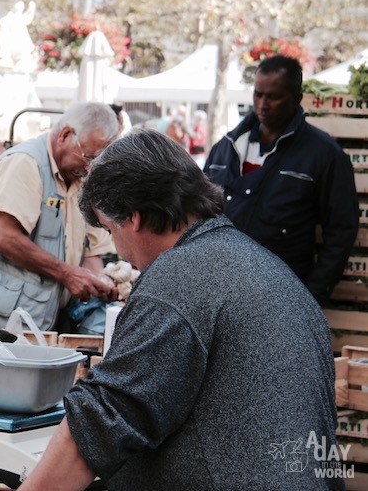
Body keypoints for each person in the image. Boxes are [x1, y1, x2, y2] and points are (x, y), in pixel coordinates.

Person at [21, 129, 342, 490]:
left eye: (112, 230)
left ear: (136, 217)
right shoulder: (269, 269)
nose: (121, 252)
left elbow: (104, 418)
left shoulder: (177, 279)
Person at [204, 54, 358, 304]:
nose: (263, 104)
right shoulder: (226, 147)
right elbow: (198, 213)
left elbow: (341, 231)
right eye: (258, 94)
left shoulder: (324, 154)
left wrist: (312, 296)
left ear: (297, 99)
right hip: (220, 290)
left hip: (284, 295)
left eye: (274, 97)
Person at [0, 102, 119, 331]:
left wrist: (101, 281)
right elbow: (5, 238)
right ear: (65, 135)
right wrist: (67, 273)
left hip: (37, 320)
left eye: (97, 161)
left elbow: (90, 252)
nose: (90, 167)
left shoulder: (81, 179)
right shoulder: (26, 162)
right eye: (88, 156)